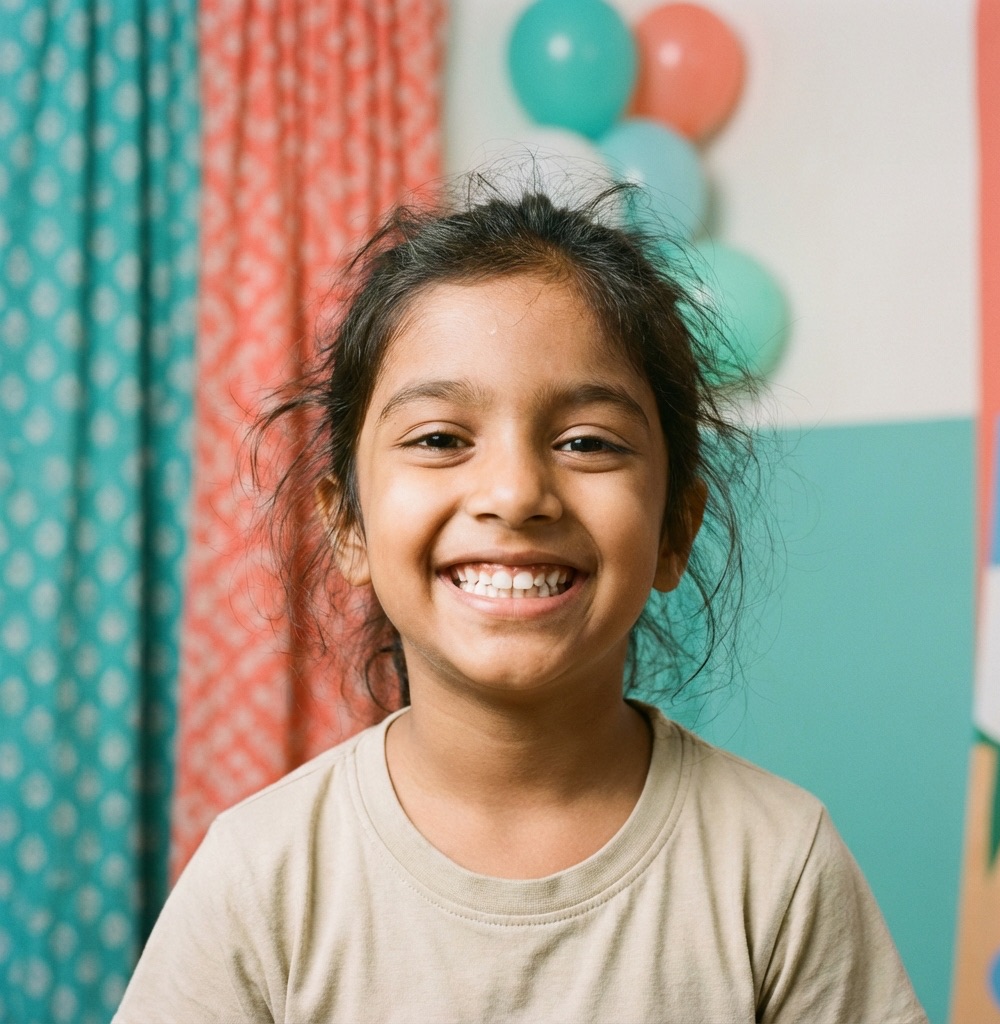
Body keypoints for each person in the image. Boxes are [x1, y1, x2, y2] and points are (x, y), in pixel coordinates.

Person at [115, 177, 927, 1023]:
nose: (514, 492)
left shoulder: (778, 867)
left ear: (675, 530)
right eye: (439, 439)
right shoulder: (262, 877)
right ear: (348, 525)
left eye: (586, 441)